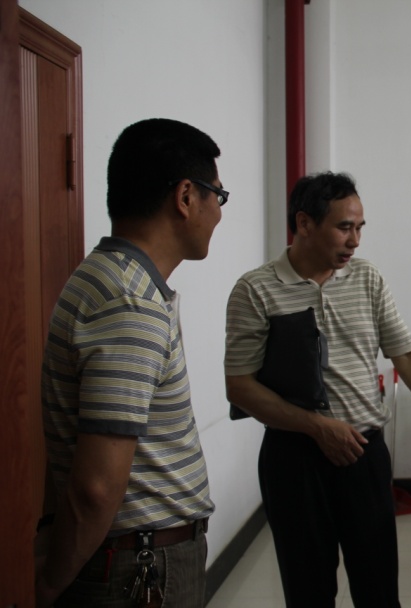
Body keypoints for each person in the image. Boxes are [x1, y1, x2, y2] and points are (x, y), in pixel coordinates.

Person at [224, 171, 411, 608]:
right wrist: (316, 427)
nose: (355, 241)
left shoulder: (366, 279)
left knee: (378, 591)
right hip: (294, 461)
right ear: (304, 223)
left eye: (359, 228)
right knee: (309, 593)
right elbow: (240, 386)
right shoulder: (256, 289)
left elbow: (407, 355)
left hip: (363, 456)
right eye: (344, 227)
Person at [37, 118, 225, 608]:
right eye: (218, 197)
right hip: (138, 570)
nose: (219, 214)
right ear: (186, 196)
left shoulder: (110, 279)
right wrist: (48, 584)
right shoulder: (129, 303)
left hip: (135, 560)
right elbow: (96, 488)